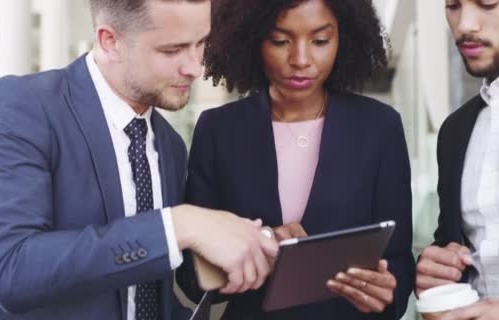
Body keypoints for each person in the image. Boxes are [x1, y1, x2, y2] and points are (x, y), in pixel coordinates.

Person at [0, 0, 278, 319]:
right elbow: (12, 269)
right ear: (110, 41)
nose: (195, 67)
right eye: (172, 50)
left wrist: (255, 246)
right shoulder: (23, 106)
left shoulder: (169, 145)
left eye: (201, 43)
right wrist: (179, 224)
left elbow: (147, 291)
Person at [176, 0, 415, 318]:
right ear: (253, 38)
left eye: (320, 41)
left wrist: (387, 291)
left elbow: (398, 259)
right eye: (280, 41)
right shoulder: (218, 131)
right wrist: (262, 243)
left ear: (343, 38)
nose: (300, 60)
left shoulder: (379, 127)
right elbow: (192, 278)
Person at [415, 0, 499, 319]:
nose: (464, 25)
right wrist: (434, 271)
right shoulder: (455, 131)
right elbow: (451, 245)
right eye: (452, 5)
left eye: (487, 3)